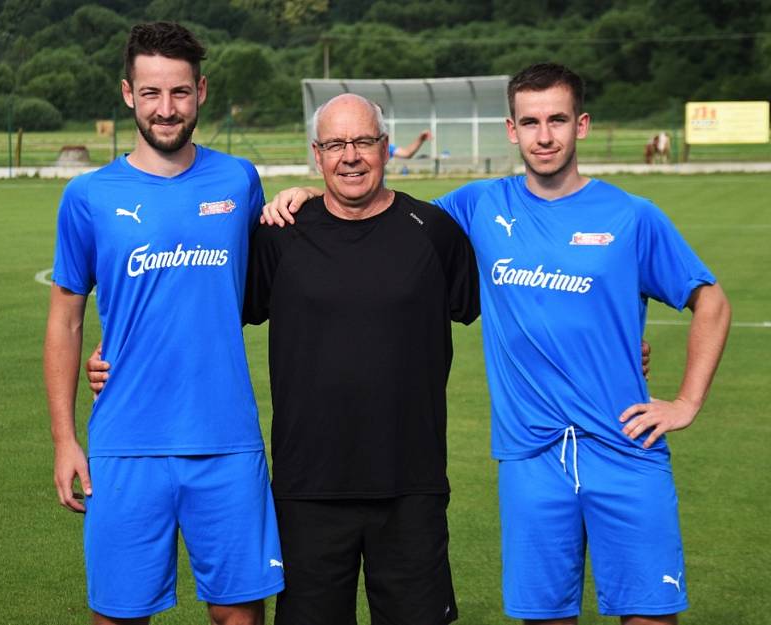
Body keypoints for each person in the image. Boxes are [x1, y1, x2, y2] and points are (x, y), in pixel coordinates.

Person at [260, 63, 731, 625]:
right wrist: (310, 195)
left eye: (557, 120)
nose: (545, 135)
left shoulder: (630, 215)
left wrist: (685, 403)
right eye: (530, 122)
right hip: (530, 456)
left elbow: (711, 300)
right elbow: (376, 205)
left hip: (622, 445)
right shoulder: (475, 208)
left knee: (649, 615)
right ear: (512, 130)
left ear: (581, 125)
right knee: (545, 616)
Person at [88, 92, 479, 625]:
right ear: (316, 155)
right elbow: (204, 305)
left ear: (386, 149)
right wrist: (120, 356)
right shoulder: (279, 236)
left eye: (363, 141)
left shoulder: (433, 232)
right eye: (336, 144)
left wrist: (624, 346)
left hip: (411, 483)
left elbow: (504, 313)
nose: (351, 156)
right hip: (306, 489)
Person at [43, 22, 283, 625]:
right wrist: (65, 440)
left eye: (179, 92)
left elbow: (284, 264)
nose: (166, 108)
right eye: (151, 93)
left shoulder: (239, 180)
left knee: (239, 617)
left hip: (226, 438)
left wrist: (301, 194)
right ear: (128, 94)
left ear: (201, 91)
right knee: (118, 615)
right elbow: (66, 319)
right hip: (125, 443)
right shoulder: (88, 196)